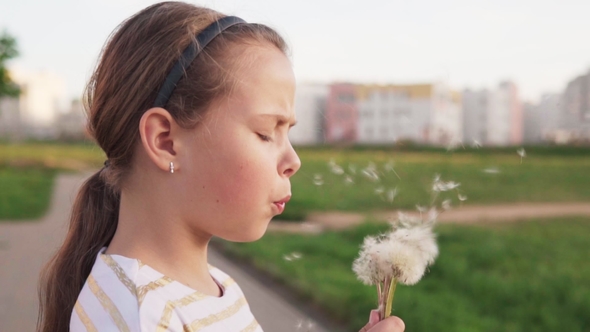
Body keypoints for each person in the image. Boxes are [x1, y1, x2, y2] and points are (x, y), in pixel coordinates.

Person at [37, 2, 405, 331]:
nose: (293, 161)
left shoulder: (217, 288)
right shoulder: (136, 315)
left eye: (287, 133)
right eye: (265, 133)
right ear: (165, 141)